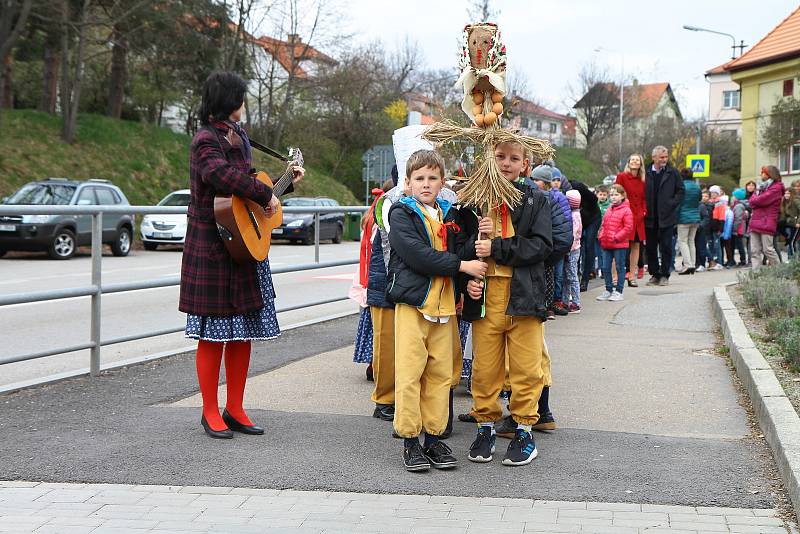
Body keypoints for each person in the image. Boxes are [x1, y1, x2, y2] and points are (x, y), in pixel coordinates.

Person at [179, 71, 304, 439]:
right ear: (230, 100)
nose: (245, 103)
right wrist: (264, 194)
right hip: (212, 246)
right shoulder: (205, 139)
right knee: (212, 336)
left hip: (242, 246)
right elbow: (221, 177)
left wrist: (285, 186)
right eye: (242, 97)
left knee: (242, 333)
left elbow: (250, 185)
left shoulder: (241, 136)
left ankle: (235, 407)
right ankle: (208, 411)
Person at [387, 149, 486, 472]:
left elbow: (462, 250)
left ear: (442, 182)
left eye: (432, 178)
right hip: (414, 305)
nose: (426, 184)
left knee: (441, 376)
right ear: (408, 182)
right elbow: (417, 255)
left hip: (444, 307)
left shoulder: (449, 214)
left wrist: (470, 270)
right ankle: (410, 441)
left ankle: (433, 438)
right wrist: (463, 265)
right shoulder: (401, 214)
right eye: (419, 179)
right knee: (411, 373)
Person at [462, 140, 553, 467]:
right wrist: (469, 269)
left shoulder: (535, 200)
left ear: (525, 165)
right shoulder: (473, 200)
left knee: (527, 368)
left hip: (524, 297)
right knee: (485, 369)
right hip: (486, 299)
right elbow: (459, 248)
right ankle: (485, 425)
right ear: (489, 157)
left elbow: (543, 247)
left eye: (514, 158)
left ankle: (524, 429)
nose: (506, 163)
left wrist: (498, 247)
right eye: (500, 156)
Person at [366, 167, 403, 423]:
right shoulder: (390, 202)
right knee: (386, 344)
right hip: (384, 284)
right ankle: (384, 399)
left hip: (405, 284)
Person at [644, 146, 685, 286]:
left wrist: (670, 204)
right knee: (650, 248)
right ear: (653, 157)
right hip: (649, 217)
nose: (664, 160)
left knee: (666, 247)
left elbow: (680, 191)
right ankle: (655, 274)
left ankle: (665, 275)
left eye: (666, 157)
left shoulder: (673, 173)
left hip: (666, 217)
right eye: (661, 157)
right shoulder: (646, 173)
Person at [596, 185, 633, 301]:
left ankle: (619, 291)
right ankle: (608, 289)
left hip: (619, 244)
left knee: (620, 267)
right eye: (611, 195)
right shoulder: (609, 209)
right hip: (606, 243)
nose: (613, 197)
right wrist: (601, 236)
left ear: (622, 196)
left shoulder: (626, 210)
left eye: (616, 194)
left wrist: (616, 237)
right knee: (605, 267)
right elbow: (604, 224)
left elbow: (628, 227)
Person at [616, 154, 647, 287]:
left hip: (639, 216)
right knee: (622, 246)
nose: (635, 161)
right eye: (632, 159)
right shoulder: (622, 176)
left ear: (640, 164)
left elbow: (645, 197)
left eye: (637, 160)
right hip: (625, 214)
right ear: (628, 162)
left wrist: (644, 210)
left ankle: (632, 276)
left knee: (636, 245)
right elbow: (617, 193)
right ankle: (617, 275)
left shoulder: (643, 179)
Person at [749, 165, 785, 269]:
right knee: (754, 251)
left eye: (763, 172)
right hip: (755, 221)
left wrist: (756, 199)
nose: (761, 174)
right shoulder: (761, 187)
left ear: (769, 174)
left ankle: (779, 271)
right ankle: (756, 274)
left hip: (767, 222)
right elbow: (751, 202)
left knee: (767, 250)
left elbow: (761, 200)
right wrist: (756, 200)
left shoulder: (777, 187)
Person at [572, 181, 601, 292]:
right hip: (579, 219)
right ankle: (575, 277)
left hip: (593, 218)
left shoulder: (584, 192)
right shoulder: (566, 193)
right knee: (576, 246)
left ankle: (585, 279)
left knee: (589, 245)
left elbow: (595, 199)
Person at [676, 168, 701, 275]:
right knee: (691, 241)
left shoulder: (681, 187)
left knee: (682, 241)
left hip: (683, 217)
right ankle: (693, 264)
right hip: (695, 217)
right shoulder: (697, 187)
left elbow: (678, 202)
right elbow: (699, 199)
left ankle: (687, 265)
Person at [564, 190, 583, 312]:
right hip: (573, 248)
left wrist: (567, 247)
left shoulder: (574, 216)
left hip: (573, 249)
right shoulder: (576, 214)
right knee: (568, 276)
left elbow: (574, 234)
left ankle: (576, 302)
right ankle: (566, 301)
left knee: (572, 275)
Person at [779, 186, 800, 258]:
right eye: (785, 193)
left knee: (791, 242)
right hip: (787, 224)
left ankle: (792, 259)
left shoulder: (795, 200)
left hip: (794, 224)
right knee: (788, 241)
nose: (786, 195)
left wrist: (798, 222)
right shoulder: (784, 201)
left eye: (788, 193)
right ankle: (791, 258)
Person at [731, 189, 750, 266]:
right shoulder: (739, 205)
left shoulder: (738, 206)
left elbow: (738, 218)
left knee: (740, 245)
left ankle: (743, 260)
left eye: (734, 196)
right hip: (740, 228)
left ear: (737, 197)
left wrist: (734, 228)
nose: (732, 197)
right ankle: (742, 260)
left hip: (738, 229)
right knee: (739, 244)